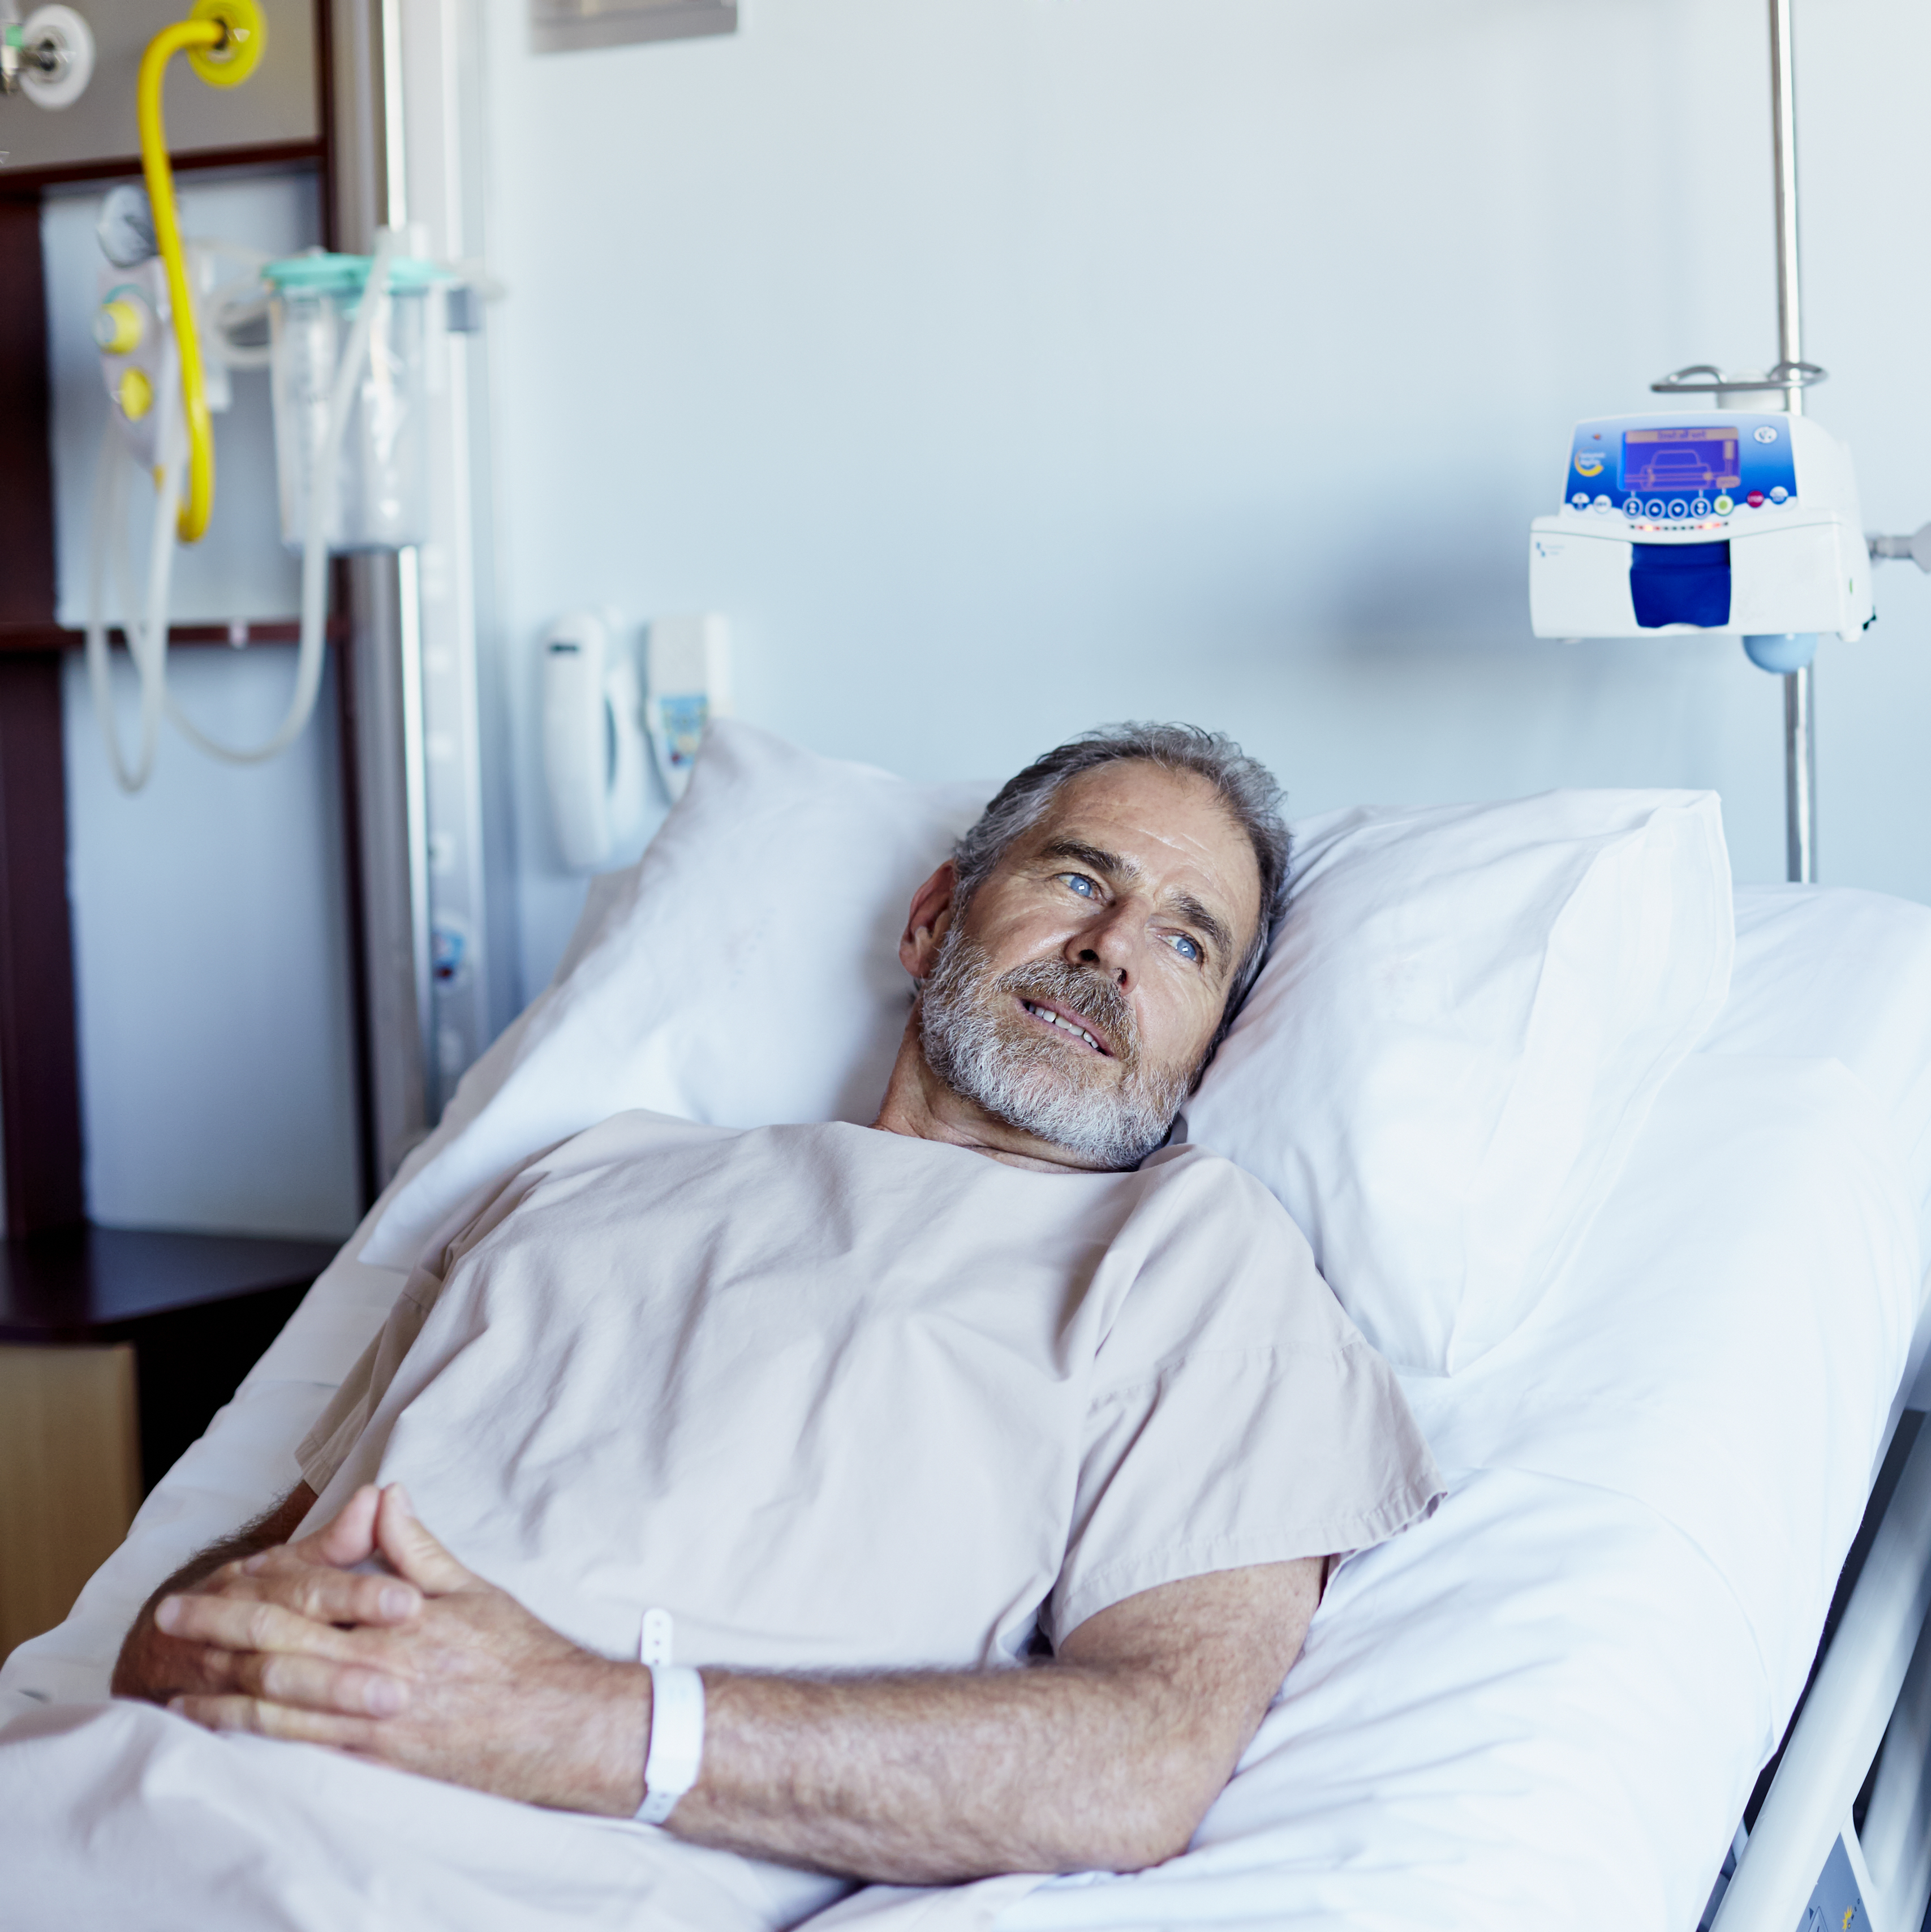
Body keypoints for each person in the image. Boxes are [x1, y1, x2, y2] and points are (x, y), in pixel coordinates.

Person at [0, 724, 1440, 1930]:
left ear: (1207, 1042)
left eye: (1188, 941)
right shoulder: (587, 1172)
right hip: (107, 1803)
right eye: (1078, 877)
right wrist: (183, 1645)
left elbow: (1146, 1754)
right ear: (935, 915)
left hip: (476, 1886)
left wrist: (578, 1718)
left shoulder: (1194, 1262)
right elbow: (268, 1559)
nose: (1114, 949)